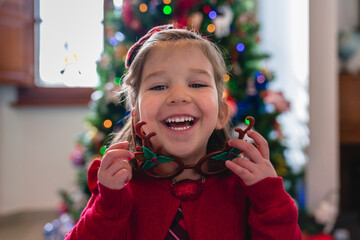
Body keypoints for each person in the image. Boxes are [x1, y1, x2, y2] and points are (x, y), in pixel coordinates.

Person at [65, 25, 302, 240]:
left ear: (221, 113)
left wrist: (270, 200)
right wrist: (108, 207)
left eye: (197, 84)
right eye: (159, 86)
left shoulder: (244, 186)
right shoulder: (118, 187)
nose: (178, 96)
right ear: (136, 114)